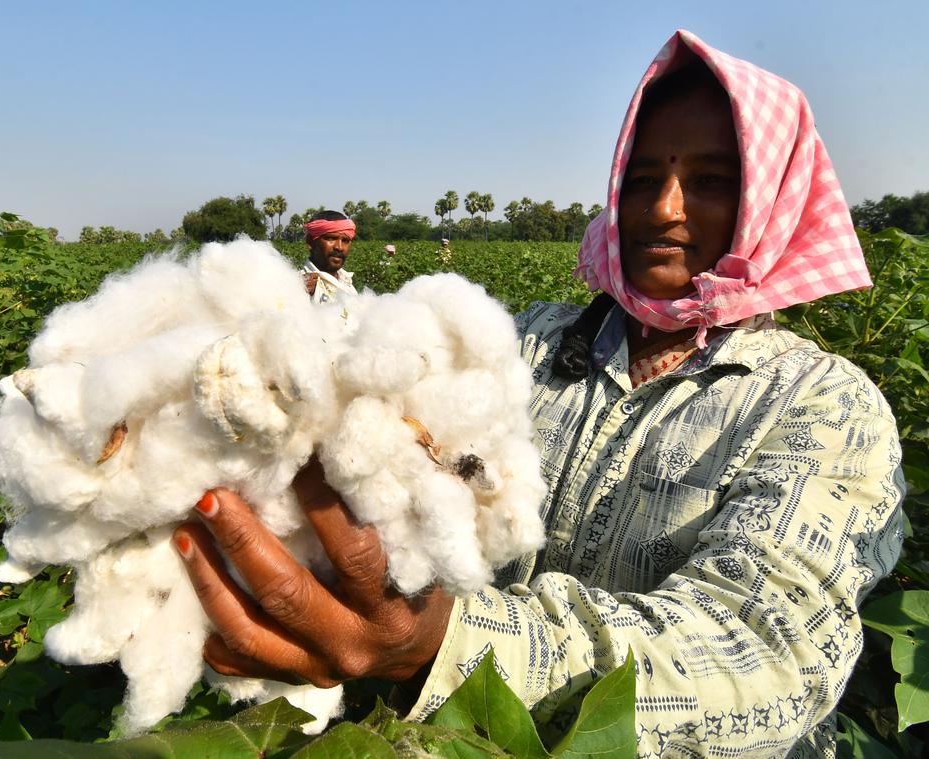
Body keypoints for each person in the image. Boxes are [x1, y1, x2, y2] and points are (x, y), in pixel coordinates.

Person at [170, 30, 904, 757]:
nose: (662, 209)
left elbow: (763, 652)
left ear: (770, 201)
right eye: (641, 179)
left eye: (710, 181)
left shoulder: (823, 407)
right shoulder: (523, 344)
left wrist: (447, 642)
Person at [301, 210, 358, 303]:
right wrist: (297, 292)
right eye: (331, 238)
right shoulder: (298, 286)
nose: (339, 247)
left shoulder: (347, 282)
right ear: (310, 242)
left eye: (345, 240)